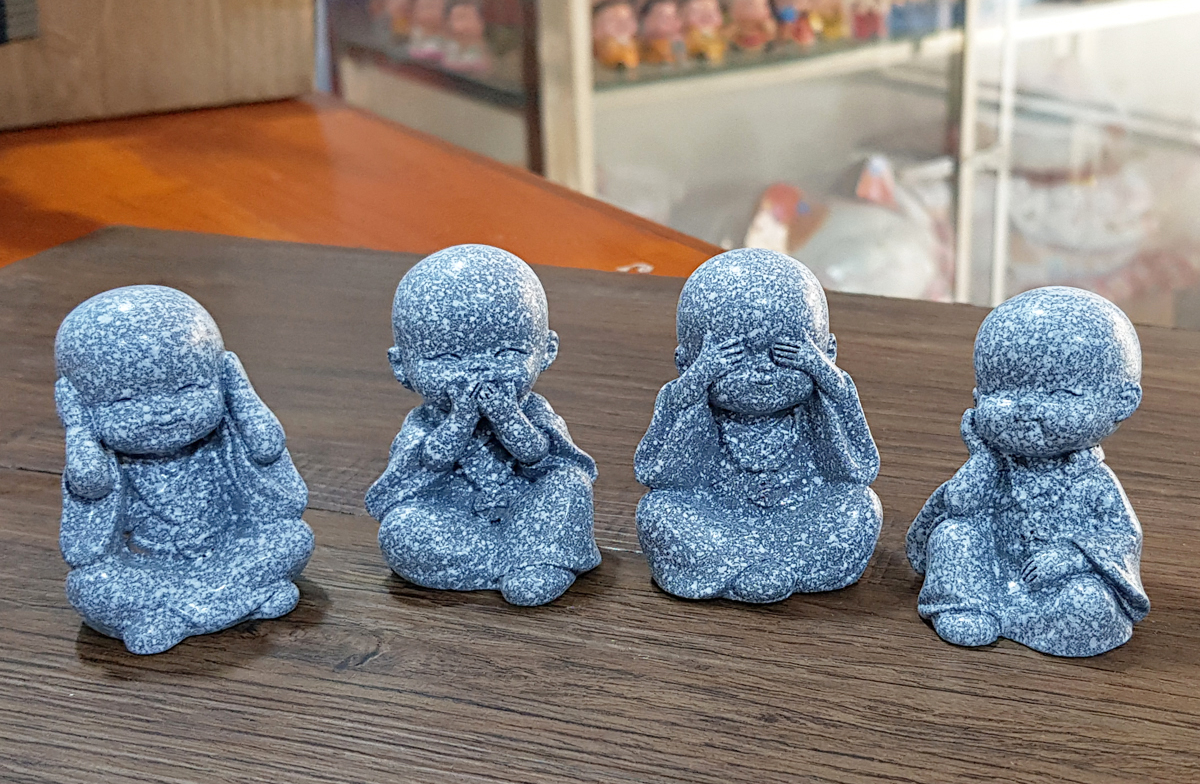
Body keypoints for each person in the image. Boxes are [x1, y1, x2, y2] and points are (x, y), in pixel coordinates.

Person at [55, 286, 312, 654]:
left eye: (188, 388)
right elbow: (89, 485)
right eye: (127, 400)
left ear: (219, 377)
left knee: (292, 538)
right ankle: (242, 599)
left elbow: (267, 447)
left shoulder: (219, 437)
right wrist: (78, 429)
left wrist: (239, 389)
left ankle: (174, 617)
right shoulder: (110, 458)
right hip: (149, 566)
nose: (163, 412)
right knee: (91, 586)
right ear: (81, 403)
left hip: (227, 550)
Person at [907, 287, 1150, 656]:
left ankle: (1014, 619)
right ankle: (963, 606)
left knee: (1091, 603)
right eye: (1004, 391)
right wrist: (983, 459)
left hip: (1054, 584)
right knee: (952, 535)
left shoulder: (1092, 481)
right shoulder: (997, 463)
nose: (1026, 408)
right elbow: (959, 505)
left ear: (1122, 402)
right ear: (978, 398)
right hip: (988, 571)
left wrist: (1070, 558)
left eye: (1060, 394)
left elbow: (1120, 536)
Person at [636, 249, 882, 603]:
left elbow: (856, 472)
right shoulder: (688, 400)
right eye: (736, 357)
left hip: (800, 518)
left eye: (784, 354)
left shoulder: (817, 404)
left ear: (827, 352)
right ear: (686, 361)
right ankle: (748, 569)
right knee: (657, 512)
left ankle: (769, 570)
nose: (763, 371)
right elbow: (664, 478)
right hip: (717, 521)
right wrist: (697, 382)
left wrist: (823, 374)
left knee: (860, 506)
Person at [367, 245, 600, 606]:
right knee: (400, 529)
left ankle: (534, 556)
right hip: (455, 516)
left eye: (506, 354)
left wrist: (508, 417)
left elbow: (538, 453)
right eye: (448, 358)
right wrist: (460, 420)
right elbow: (431, 459)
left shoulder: (531, 409)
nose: (478, 370)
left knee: (571, 484)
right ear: (402, 367)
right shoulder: (424, 421)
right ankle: (520, 561)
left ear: (546, 350)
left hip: (526, 506)